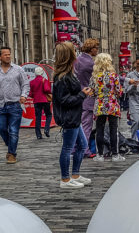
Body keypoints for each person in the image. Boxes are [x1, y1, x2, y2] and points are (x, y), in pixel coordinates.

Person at [51, 41, 93, 190]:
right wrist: (82, 94)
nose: (76, 53)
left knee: (82, 145)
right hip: (69, 117)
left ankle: (75, 174)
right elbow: (65, 100)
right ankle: (65, 179)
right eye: (73, 51)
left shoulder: (69, 74)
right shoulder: (62, 77)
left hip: (75, 116)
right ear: (68, 55)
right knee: (67, 148)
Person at [0, 46, 29, 164]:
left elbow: (25, 84)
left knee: (14, 131)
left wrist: (24, 95)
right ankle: (11, 144)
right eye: (5, 54)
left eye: (9, 54)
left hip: (15, 104)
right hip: (1, 104)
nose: (8, 56)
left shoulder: (18, 69)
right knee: (1, 128)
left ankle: (12, 154)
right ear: (0, 57)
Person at [91, 53, 124, 161]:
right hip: (112, 104)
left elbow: (92, 92)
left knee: (99, 130)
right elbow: (119, 92)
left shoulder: (95, 76)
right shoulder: (113, 75)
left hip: (100, 105)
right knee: (113, 130)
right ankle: (115, 154)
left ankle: (99, 155)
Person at [75, 38, 100, 157]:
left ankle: (74, 148)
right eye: (96, 48)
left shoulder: (78, 59)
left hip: (78, 96)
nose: (97, 50)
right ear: (91, 49)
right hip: (88, 97)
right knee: (86, 125)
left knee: (78, 125)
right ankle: (85, 149)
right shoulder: (90, 63)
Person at [29, 69, 53, 139]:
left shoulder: (32, 82)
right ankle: (46, 129)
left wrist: (35, 95)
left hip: (36, 101)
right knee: (48, 115)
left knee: (38, 117)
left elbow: (30, 94)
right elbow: (46, 89)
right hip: (44, 100)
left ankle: (38, 134)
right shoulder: (44, 80)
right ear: (42, 73)